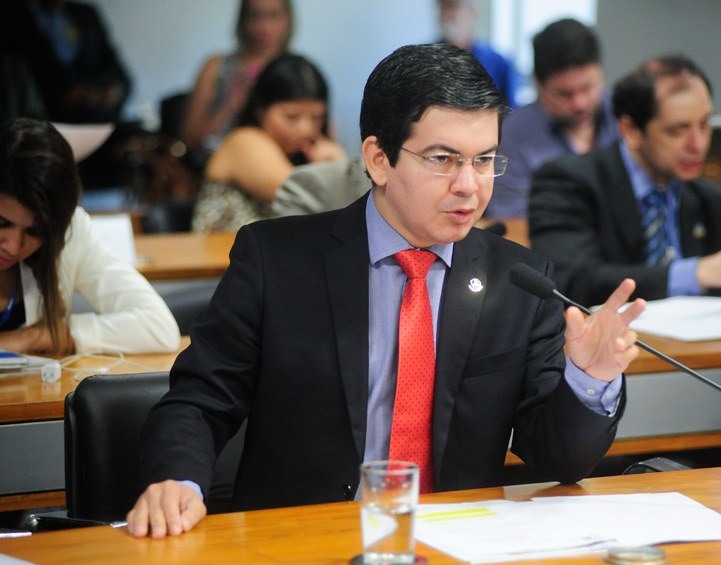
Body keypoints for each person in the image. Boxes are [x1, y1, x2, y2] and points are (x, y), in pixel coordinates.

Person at [126, 43, 646, 538]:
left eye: (484, 159)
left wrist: (588, 379)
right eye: (443, 160)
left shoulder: (520, 281)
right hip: (300, 542)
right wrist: (179, 480)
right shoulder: (276, 260)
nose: (469, 185)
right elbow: (198, 399)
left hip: (459, 544)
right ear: (378, 159)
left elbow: (558, 459)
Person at [529, 55, 721, 308]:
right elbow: (573, 281)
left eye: (705, 124)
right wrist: (698, 272)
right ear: (631, 130)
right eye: (678, 130)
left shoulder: (711, 201)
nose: (698, 144)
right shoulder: (567, 182)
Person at [0, 118, 180, 355]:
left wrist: (44, 336)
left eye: (36, 231)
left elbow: (159, 329)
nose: (13, 246)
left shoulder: (70, 231)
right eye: (2, 224)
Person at [191, 53, 345, 233]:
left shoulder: (305, 154)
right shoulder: (244, 141)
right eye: (291, 117)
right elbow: (302, 198)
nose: (306, 129)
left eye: (317, 118)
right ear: (260, 109)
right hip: (221, 259)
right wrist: (336, 167)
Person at [487, 18, 619, 218]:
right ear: (538, 84)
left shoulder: (626, 116)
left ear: (601, 73)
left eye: (587, 88)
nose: (579, 103)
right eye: (564, 94)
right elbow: (513, 221)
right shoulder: (513, 134)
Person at [181, 0, 293, 164]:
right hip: (218, 168)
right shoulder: (217, 67)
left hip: (277, 165)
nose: (264, 26)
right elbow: (189, 140)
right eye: (255, 15)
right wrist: (230, 106)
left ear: (288, 20)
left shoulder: (297, 73)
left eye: (274, 15)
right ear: (243, 20)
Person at [0, 0, 130, 125]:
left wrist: (115, 90)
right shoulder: (10, 14)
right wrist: (62, 96)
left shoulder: (87, 15)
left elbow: (119, 73)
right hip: (39, 127)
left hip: (97, 124)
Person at [437, 0, 518, 107]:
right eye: (443, 7)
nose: (447, 14)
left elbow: (510, 112)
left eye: (454, 7)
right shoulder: (424, 59)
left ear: (472, 12)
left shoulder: (498, 63)